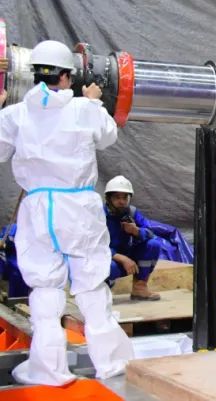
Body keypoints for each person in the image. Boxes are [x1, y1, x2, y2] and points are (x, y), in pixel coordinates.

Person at [0, 40, 133, 386]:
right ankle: (112, 364)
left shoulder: (15, 115)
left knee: (45, 289)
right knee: (91, 286)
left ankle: (49, 370)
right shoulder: (83, 109)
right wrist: (93, 101)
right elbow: (108, 136)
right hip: (78, 208)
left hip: (38, 210)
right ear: (66, 76)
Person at [103, 175, 164, 301]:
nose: (122, 201)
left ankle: (139, 288)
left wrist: (137, 232)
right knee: (109, 268)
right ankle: (103, 288)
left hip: (128, 254)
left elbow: (151, 232)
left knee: (153, 244)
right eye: (117, 197)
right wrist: (121, 258)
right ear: (108, 198)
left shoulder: (131, 212)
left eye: (125, 197)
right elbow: (92, 246)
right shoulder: (99, 215)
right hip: (107, 257)